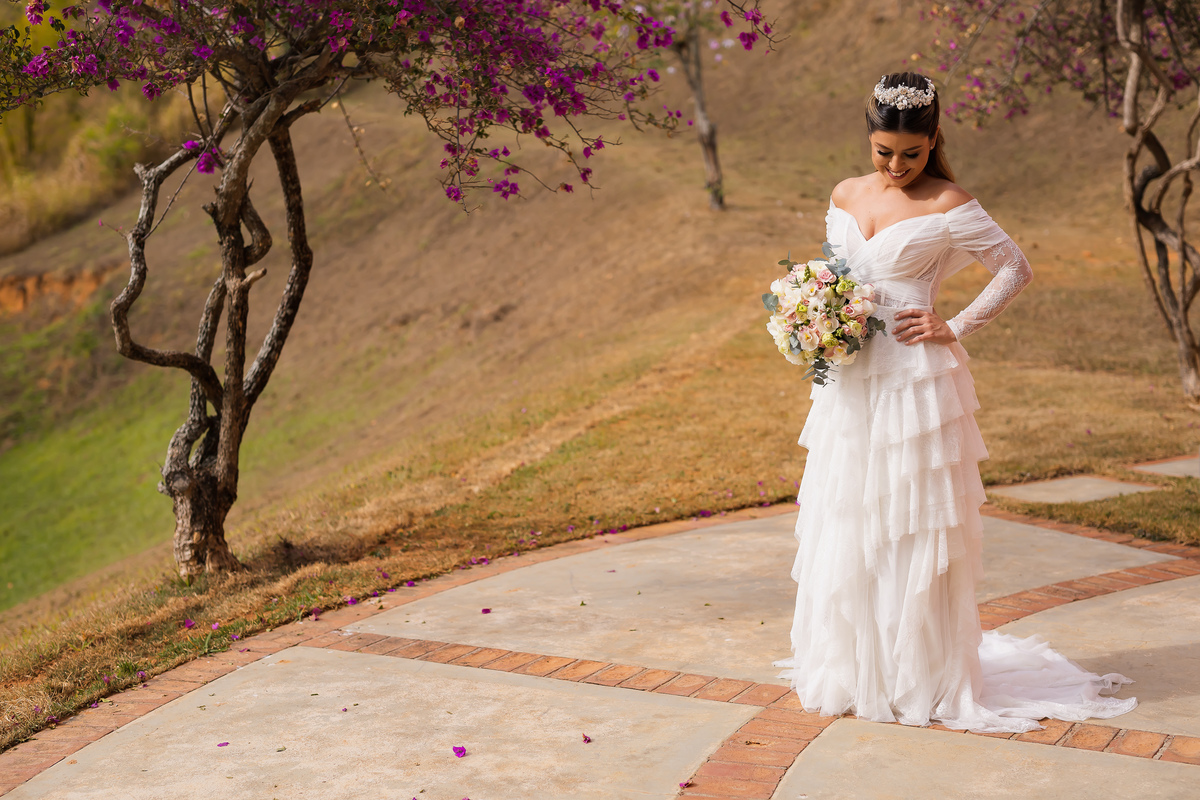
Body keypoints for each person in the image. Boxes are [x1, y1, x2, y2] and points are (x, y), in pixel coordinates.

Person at [772, 72, 1137, 733]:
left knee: (911, 521)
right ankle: (857, 667)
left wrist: (954, 323)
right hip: (852, 376)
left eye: (911, 153)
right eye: (884, 151)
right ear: (870, 137)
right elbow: (838, 270)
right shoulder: (846, 192)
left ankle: (920, 673)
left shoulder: (949, 201)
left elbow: (1015, 267)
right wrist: (816, 309)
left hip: (916, 380)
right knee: (850, 512)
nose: (896, 165)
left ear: (933, 140)